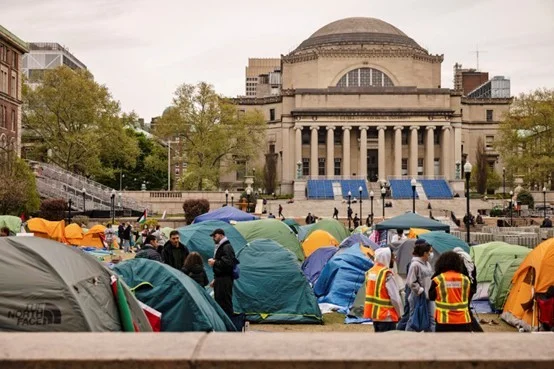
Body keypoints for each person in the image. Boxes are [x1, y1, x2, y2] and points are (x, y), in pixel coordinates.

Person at [429, 251, 472, 332]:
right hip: (463, 320)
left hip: (444, 320)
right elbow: (468, 296)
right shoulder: (465, 279)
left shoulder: (438, 279)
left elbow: (431, 297)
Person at [364, 247, 402, 332]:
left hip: (375, 316)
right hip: (387, 316)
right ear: (387, 258)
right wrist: (400, 314)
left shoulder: (370, 272)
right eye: (392, 257)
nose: (393, 259)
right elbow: (395, 298)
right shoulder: (387, 274)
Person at [405, 240, 435, 332]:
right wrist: (420, 290)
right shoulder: (415, 265)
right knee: (413, 318)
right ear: (424, 253)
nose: (430, 254)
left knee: (431, 319)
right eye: (429, 252)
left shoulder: (428, 264)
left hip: (428, 296)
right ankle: (407, 338)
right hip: (418, 297)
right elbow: (411, 281)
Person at [208, 228, 237, 317]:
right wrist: (215, 279)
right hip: (221, 278)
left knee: (225, 302)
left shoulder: (226, 247)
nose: (213, 238)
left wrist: (214, 262)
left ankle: (229, 324)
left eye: (215, 236)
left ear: (221, 235)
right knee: (220, 302)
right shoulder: (221, 246)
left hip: (225, 279)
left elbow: (228, 263)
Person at [453, 246, 483, 332]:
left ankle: (476, 330)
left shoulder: (460, 261)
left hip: (465, 289)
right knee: (465, 309)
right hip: (472, 288)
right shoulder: (469, 261)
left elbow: (461, 276)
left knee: (465, 310)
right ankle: (467, 329)